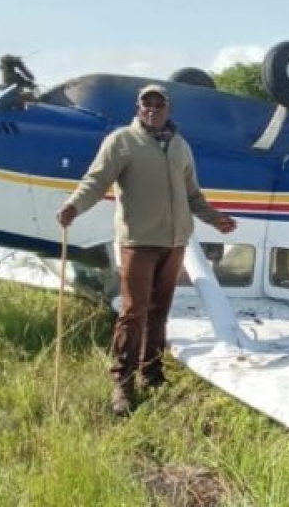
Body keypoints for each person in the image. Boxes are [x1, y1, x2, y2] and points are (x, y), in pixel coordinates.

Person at [56, 84, 237, 416]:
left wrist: (216, 219)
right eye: (146, 102)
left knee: (159, 310)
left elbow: (193, 195)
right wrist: (73, 206)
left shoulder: (181, 146)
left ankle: (152, 373)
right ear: (138, 107)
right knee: (133, 312)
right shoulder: (122, 141)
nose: (152, 108)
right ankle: (122, 385)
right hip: (138, 241)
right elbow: (95, 182)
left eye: (159, 103)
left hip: (175, 242)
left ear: (168, 108)